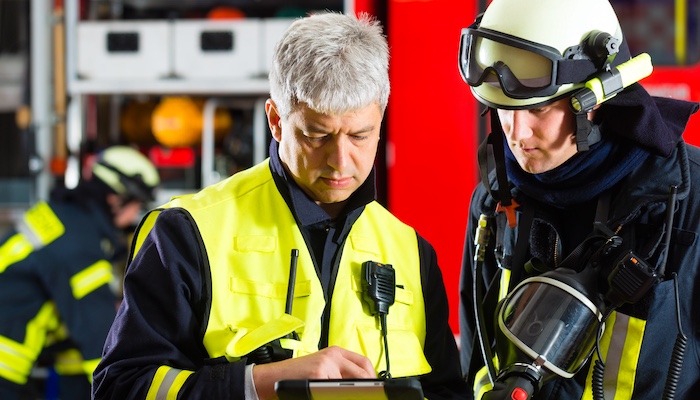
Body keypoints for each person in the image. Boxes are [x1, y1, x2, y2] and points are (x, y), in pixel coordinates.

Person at [92, 11, 468, 400]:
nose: (340, 160)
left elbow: (445, 393)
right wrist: (261, 383)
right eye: (317, 135)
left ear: (381, 119)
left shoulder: (411, 253)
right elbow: (121, 387)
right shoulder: (188, 234)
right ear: (276, 120)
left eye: (360, 135)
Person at [457, 0, 700, 399]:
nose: (517, 134)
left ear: (596, 99)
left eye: (539, 109)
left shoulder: (686, 201)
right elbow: (477, 363)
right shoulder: (493, 203)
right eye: (503, 108)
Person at [0, 145, 160, 400]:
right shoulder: (81, 245)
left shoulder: (64, 218)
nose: (133, 216)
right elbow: (95, 332)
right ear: (114, 197)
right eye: (136, 203)